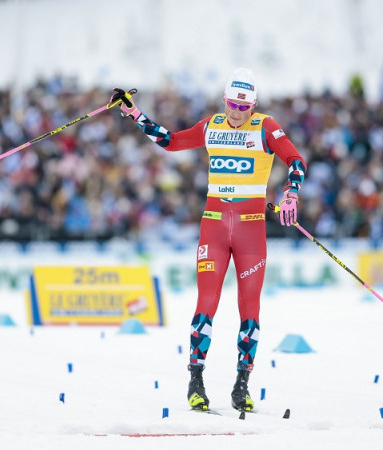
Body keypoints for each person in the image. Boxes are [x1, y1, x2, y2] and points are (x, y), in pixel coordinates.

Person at [110, 68, 307, 412]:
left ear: (254, 105)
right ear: (224, 100)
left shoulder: (265, 127)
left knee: (250, 309)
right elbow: (170, 141)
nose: (237, 113)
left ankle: (241, 386)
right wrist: (134, 113)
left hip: (250, 231)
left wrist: (291, 194)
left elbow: (296, 161)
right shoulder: (211, 126)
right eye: (232, 104)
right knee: (206, 304)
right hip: (214, 227)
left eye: (244, 107)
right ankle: (196, 382)